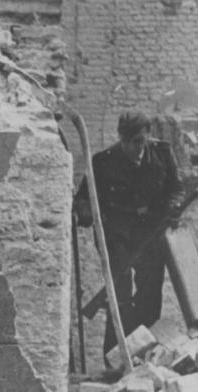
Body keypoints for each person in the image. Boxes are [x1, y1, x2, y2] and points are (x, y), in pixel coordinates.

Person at [74, 111, 184, 363]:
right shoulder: (103, 162)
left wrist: (173, 207)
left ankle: (148, 357)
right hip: (118, 237)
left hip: (151, 235)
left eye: (140, 141)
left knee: (150, 293)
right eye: (129, 142)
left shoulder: (162, 153)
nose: (136, 148)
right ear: (120, 138)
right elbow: (85, 197)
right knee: (119, 296)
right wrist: (83, 212)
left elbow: (176, 188)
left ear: (148, 137)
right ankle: (116, 359)